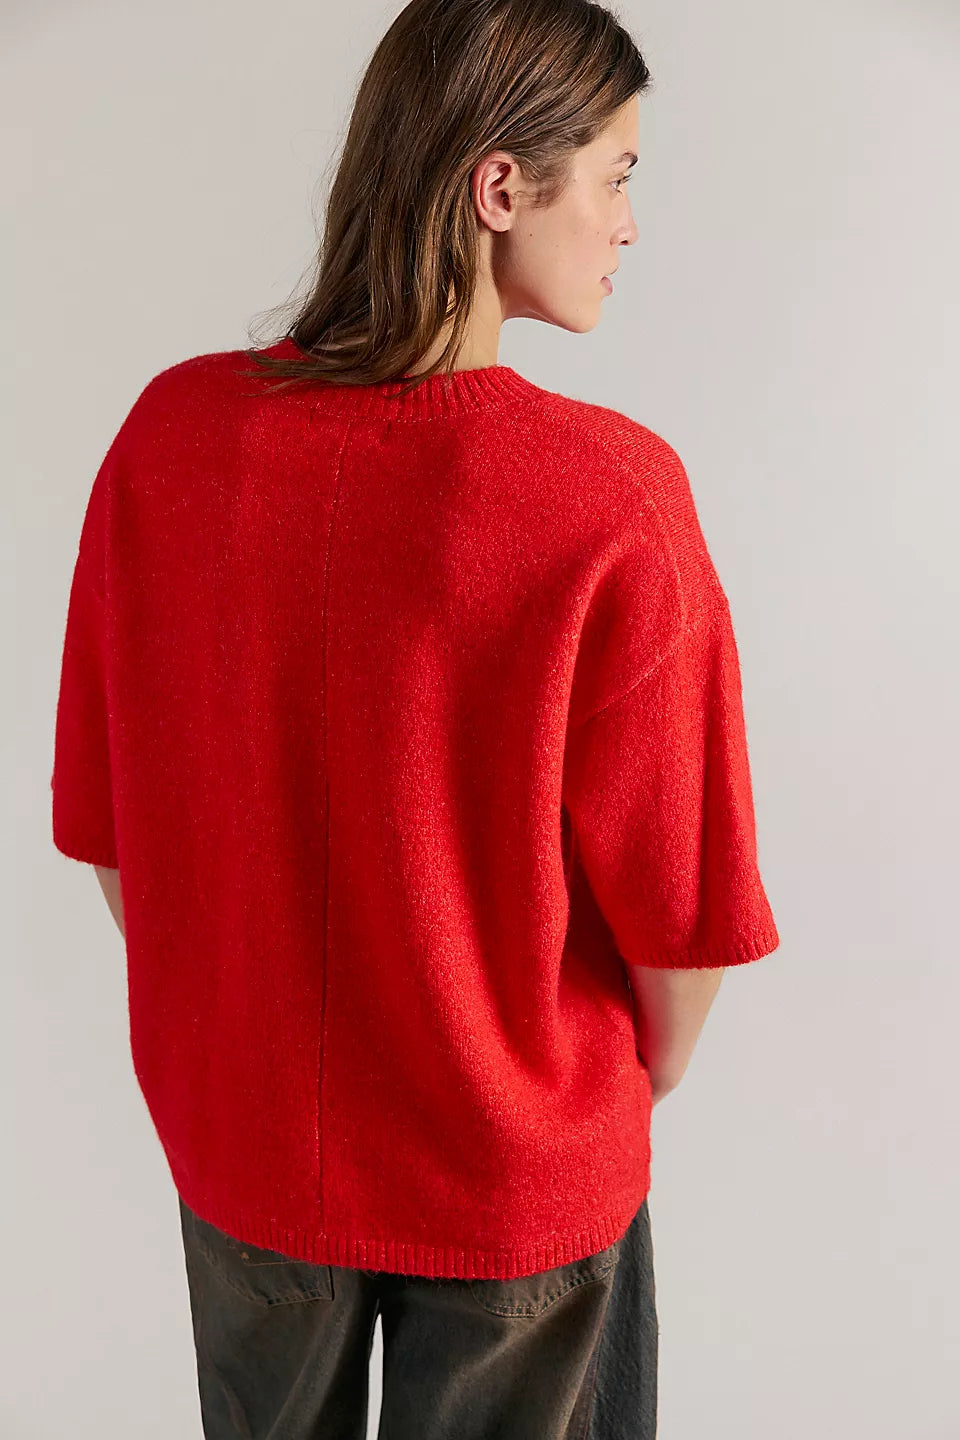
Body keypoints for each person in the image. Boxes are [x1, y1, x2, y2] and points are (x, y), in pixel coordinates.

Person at [51, 1, 780, 1435]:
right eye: (616, 175)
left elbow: (113, 830)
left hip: (252, 1150)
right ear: (501, 185)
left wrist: (255, 1030)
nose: (630, 222)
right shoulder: (608, 496)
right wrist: (600, 1088)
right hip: (517, 1174)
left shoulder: (170, 443)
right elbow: (681, 921)